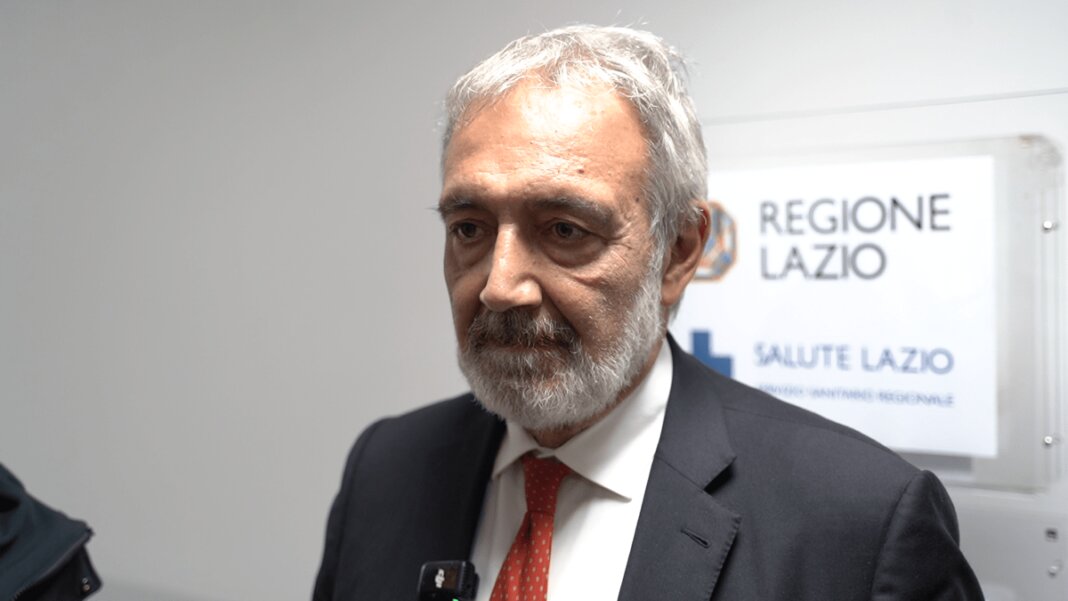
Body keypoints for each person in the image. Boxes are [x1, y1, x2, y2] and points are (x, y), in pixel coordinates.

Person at [312, 25, 984, 601]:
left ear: (680, 251)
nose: (500, 286)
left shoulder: (860, 524)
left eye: (565, 230)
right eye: (469, 228)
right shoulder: (386, 469)